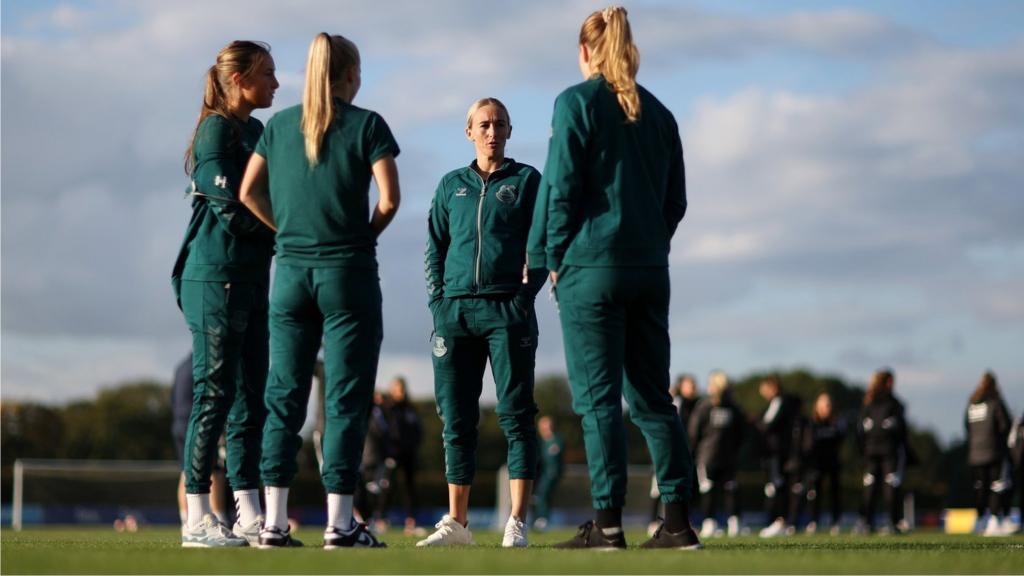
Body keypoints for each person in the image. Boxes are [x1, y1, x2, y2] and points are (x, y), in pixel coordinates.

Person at [532, 6, 699, 550]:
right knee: (654, 400)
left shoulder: (575, 103)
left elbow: (559, 189)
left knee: (598, 400)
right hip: (650, 270)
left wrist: (555, 257)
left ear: (585, 52)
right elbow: (676, 201)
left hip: (590, 268)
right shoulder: (662, 114)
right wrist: (649, 242)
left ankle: (606, 526)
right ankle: (677, 524)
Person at [239, 32, 400, 549]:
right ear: (350, 75)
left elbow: (246, 191)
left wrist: (284, 231)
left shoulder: (279, 126)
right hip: (347, 273)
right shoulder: (367, 124)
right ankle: (340, 523)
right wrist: (361, 235)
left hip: (289, 275)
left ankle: (272, 524)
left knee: (283, 398)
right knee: (345, 400)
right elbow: (390, 199)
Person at [420, 97, 544, 548]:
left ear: (510, 130)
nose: (492, 131)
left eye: (499, 124)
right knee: (456, 419)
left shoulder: (528, 180)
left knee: (516, 416)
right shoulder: (450, 184)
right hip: (453, 314)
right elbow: (434, 245)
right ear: (469, 131)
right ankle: (458, 524)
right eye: (484, 124)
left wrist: (523, 296)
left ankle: (516, 523)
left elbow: (543, 243)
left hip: (506, 312)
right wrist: (438, 301)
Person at [171, 40, 278, 548]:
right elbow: (231, 210)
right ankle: (197, 518)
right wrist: (291, 235)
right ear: (240, 80)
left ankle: (249, 515)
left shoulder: (256, 130)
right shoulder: (216, 128)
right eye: (268, 74)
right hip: (213, 277)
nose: (276, 84)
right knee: (213, 394)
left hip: (253, 278)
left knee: (251, 400)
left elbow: (271, 198)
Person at [171, 353, 228, 529]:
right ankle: (219, 517)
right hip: (199, 424)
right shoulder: (206, 364)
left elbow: (172, 398)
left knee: (186, 471)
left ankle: (186, 520)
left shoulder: (180, 367)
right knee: (214, 471)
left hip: (179, 423)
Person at [689, 371, 746, 538]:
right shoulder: (732, 407)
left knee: (712, 490)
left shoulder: (705, 406)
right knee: (727, 490)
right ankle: (730, 523)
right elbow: (742, 433)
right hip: (722, 457)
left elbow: (694, 432)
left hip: (709, 457)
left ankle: (711, 523)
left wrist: (694, 450)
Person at [856, 368, 908, 534]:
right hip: (884, 452)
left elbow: (861, 430)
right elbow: (901, 429)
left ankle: (874, 523)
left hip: (876, 452)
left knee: (878, 487)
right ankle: (884, 522)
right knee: (883, 487)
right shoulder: (890, 403)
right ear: (888, 382)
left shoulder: (870, 402)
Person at [649, 373, 700, 534]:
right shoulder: (676, 402)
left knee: (685, 487)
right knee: (658, 486)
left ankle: (682, 521)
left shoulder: (696, 404)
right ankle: (652, 522)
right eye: (689, 385)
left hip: (686, 452)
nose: (693, 388)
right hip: (669, 451)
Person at [964, 371, 1012, 536]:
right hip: (993, 452)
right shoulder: (995, 402)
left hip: (974, 453)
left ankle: (979, 522)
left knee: (979, 488)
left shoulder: (972, 404)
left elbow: (967, 426)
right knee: (996, 486)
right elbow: (1005, 425)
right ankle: (993, 522)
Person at [757, 375, 804, 538]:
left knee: (777, 487)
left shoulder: (779, 401)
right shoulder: (784, 403)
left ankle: (779, 522)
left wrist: (754, 425)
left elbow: (767, 425)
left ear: (773, 387)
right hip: (780, 452)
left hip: (777, 452)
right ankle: (780, 522)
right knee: (777, 487)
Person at [383, 376, 423, 535]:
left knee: (409, 488)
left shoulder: (410, 409)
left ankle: (410, 521)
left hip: (409, 453)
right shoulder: (388, 408)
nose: (401, 392)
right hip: (393, 453)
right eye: (398, 389)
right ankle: (381, 519)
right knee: (388, 486)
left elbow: (417, 430)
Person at [803, 392, 846, 535]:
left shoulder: (837, 423)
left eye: (829, 404)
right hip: (816, 464)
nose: (827, 407)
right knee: (815, 493)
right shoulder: (812, 423)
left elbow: (841, 440)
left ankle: (836, 522)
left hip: (832, 462)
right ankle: (813, 522)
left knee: (835, 493)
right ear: (817, 405)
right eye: (824, 404)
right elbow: (808, 445)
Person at [354, 392, 393, 531]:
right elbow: (378, 433)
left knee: (377, 490)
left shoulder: (380, 412)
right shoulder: (370, 411)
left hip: (376, 456)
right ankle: (366, 519)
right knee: (368, 490)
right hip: (369, 456)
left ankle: (370, 519)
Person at [533, 415, 565, 531]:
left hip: (551, 473)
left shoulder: (556, 440)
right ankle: (535, 520)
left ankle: (543, 519)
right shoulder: (540, 441)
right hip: (540, 473)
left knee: (543, 493)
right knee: (537, 496)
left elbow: (555, 459)